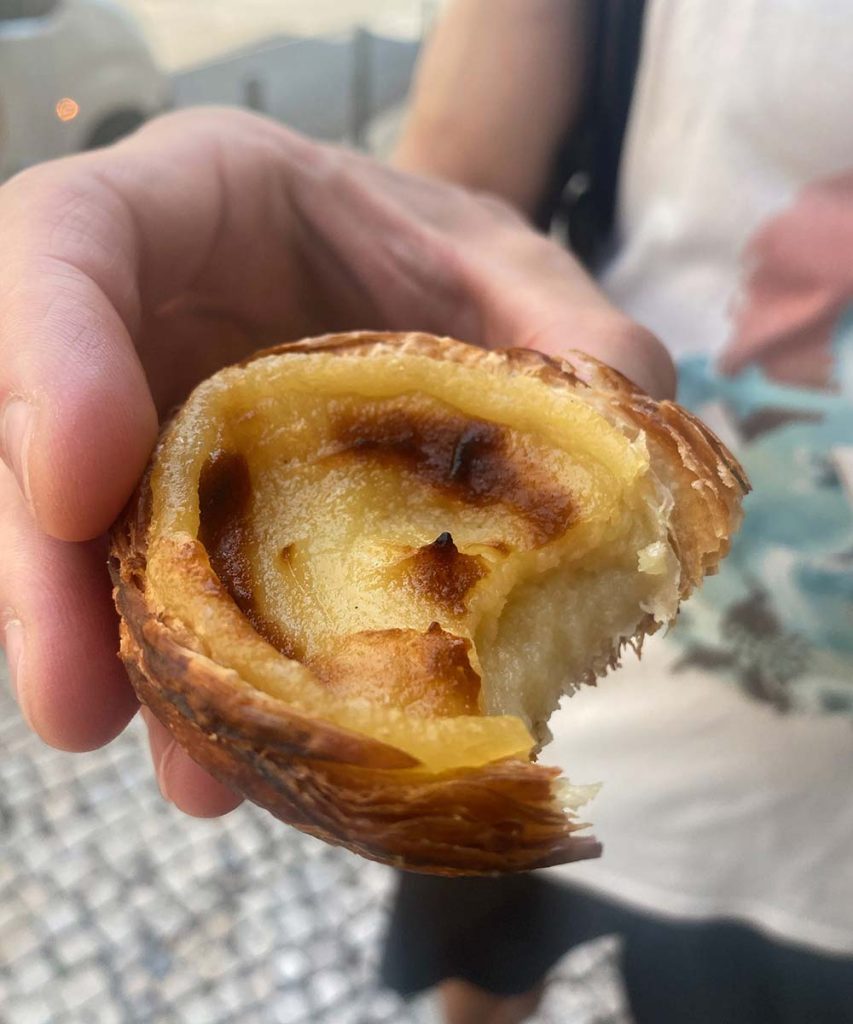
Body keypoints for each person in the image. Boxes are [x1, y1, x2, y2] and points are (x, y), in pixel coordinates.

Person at [0, 0, 850, 1021]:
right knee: (481, 976)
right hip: (513, 727)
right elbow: (458, 162)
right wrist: (330, 209)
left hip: (827, 853)